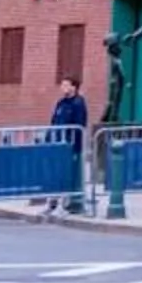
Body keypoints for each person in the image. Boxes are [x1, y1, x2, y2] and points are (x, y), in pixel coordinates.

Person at [43, 76, 88, 216]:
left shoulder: (78, 103)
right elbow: (54, 122)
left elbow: (79, 125)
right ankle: (51, 204)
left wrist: (75, 146)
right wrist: (49, 139)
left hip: (69, 145)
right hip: (56, 144)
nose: (63, 87)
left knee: (66, 176)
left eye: (66, 85)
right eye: (62, 85)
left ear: (73, 87)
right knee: (55, 175)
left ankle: (65, 205)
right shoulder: (61, 103)